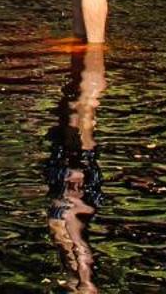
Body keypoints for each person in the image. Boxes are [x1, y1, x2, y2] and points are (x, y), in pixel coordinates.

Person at [45, 44, 107, 293]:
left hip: (69, 191)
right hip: (71, 190)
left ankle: (88, 61)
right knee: (82, 112)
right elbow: (78, 244)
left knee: (78, 112)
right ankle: (91, 59)